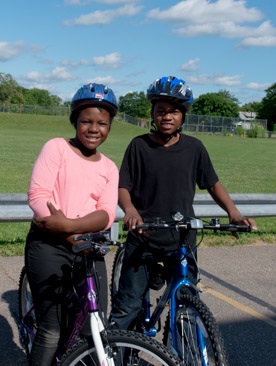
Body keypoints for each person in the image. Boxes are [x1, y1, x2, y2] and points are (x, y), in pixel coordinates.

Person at [109, 75, 258, 331]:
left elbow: (212, 184)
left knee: (187, 303)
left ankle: (185, 350)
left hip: (181, 240)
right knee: (128, 306)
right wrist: (131, 210)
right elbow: (124, 186)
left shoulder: (194, 148)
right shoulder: (139, 146)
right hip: (144, 236)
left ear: (183, 116)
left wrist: (233, 212)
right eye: (160, 111)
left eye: (174, 112)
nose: (167, 117)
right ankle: (115, 351)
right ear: (153, 114)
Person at [25, 83, 120, 365]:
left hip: (86, 246)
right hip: (48, 245)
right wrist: (63, 230)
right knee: (51, 330)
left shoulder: (109, 167)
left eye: (102, 123)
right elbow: (38, 195)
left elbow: (105, 214)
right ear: (75, 122)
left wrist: (67, 227)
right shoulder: (57, 148)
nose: (94, 129)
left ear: (110, 127)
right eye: (86, 121)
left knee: (93, 323)